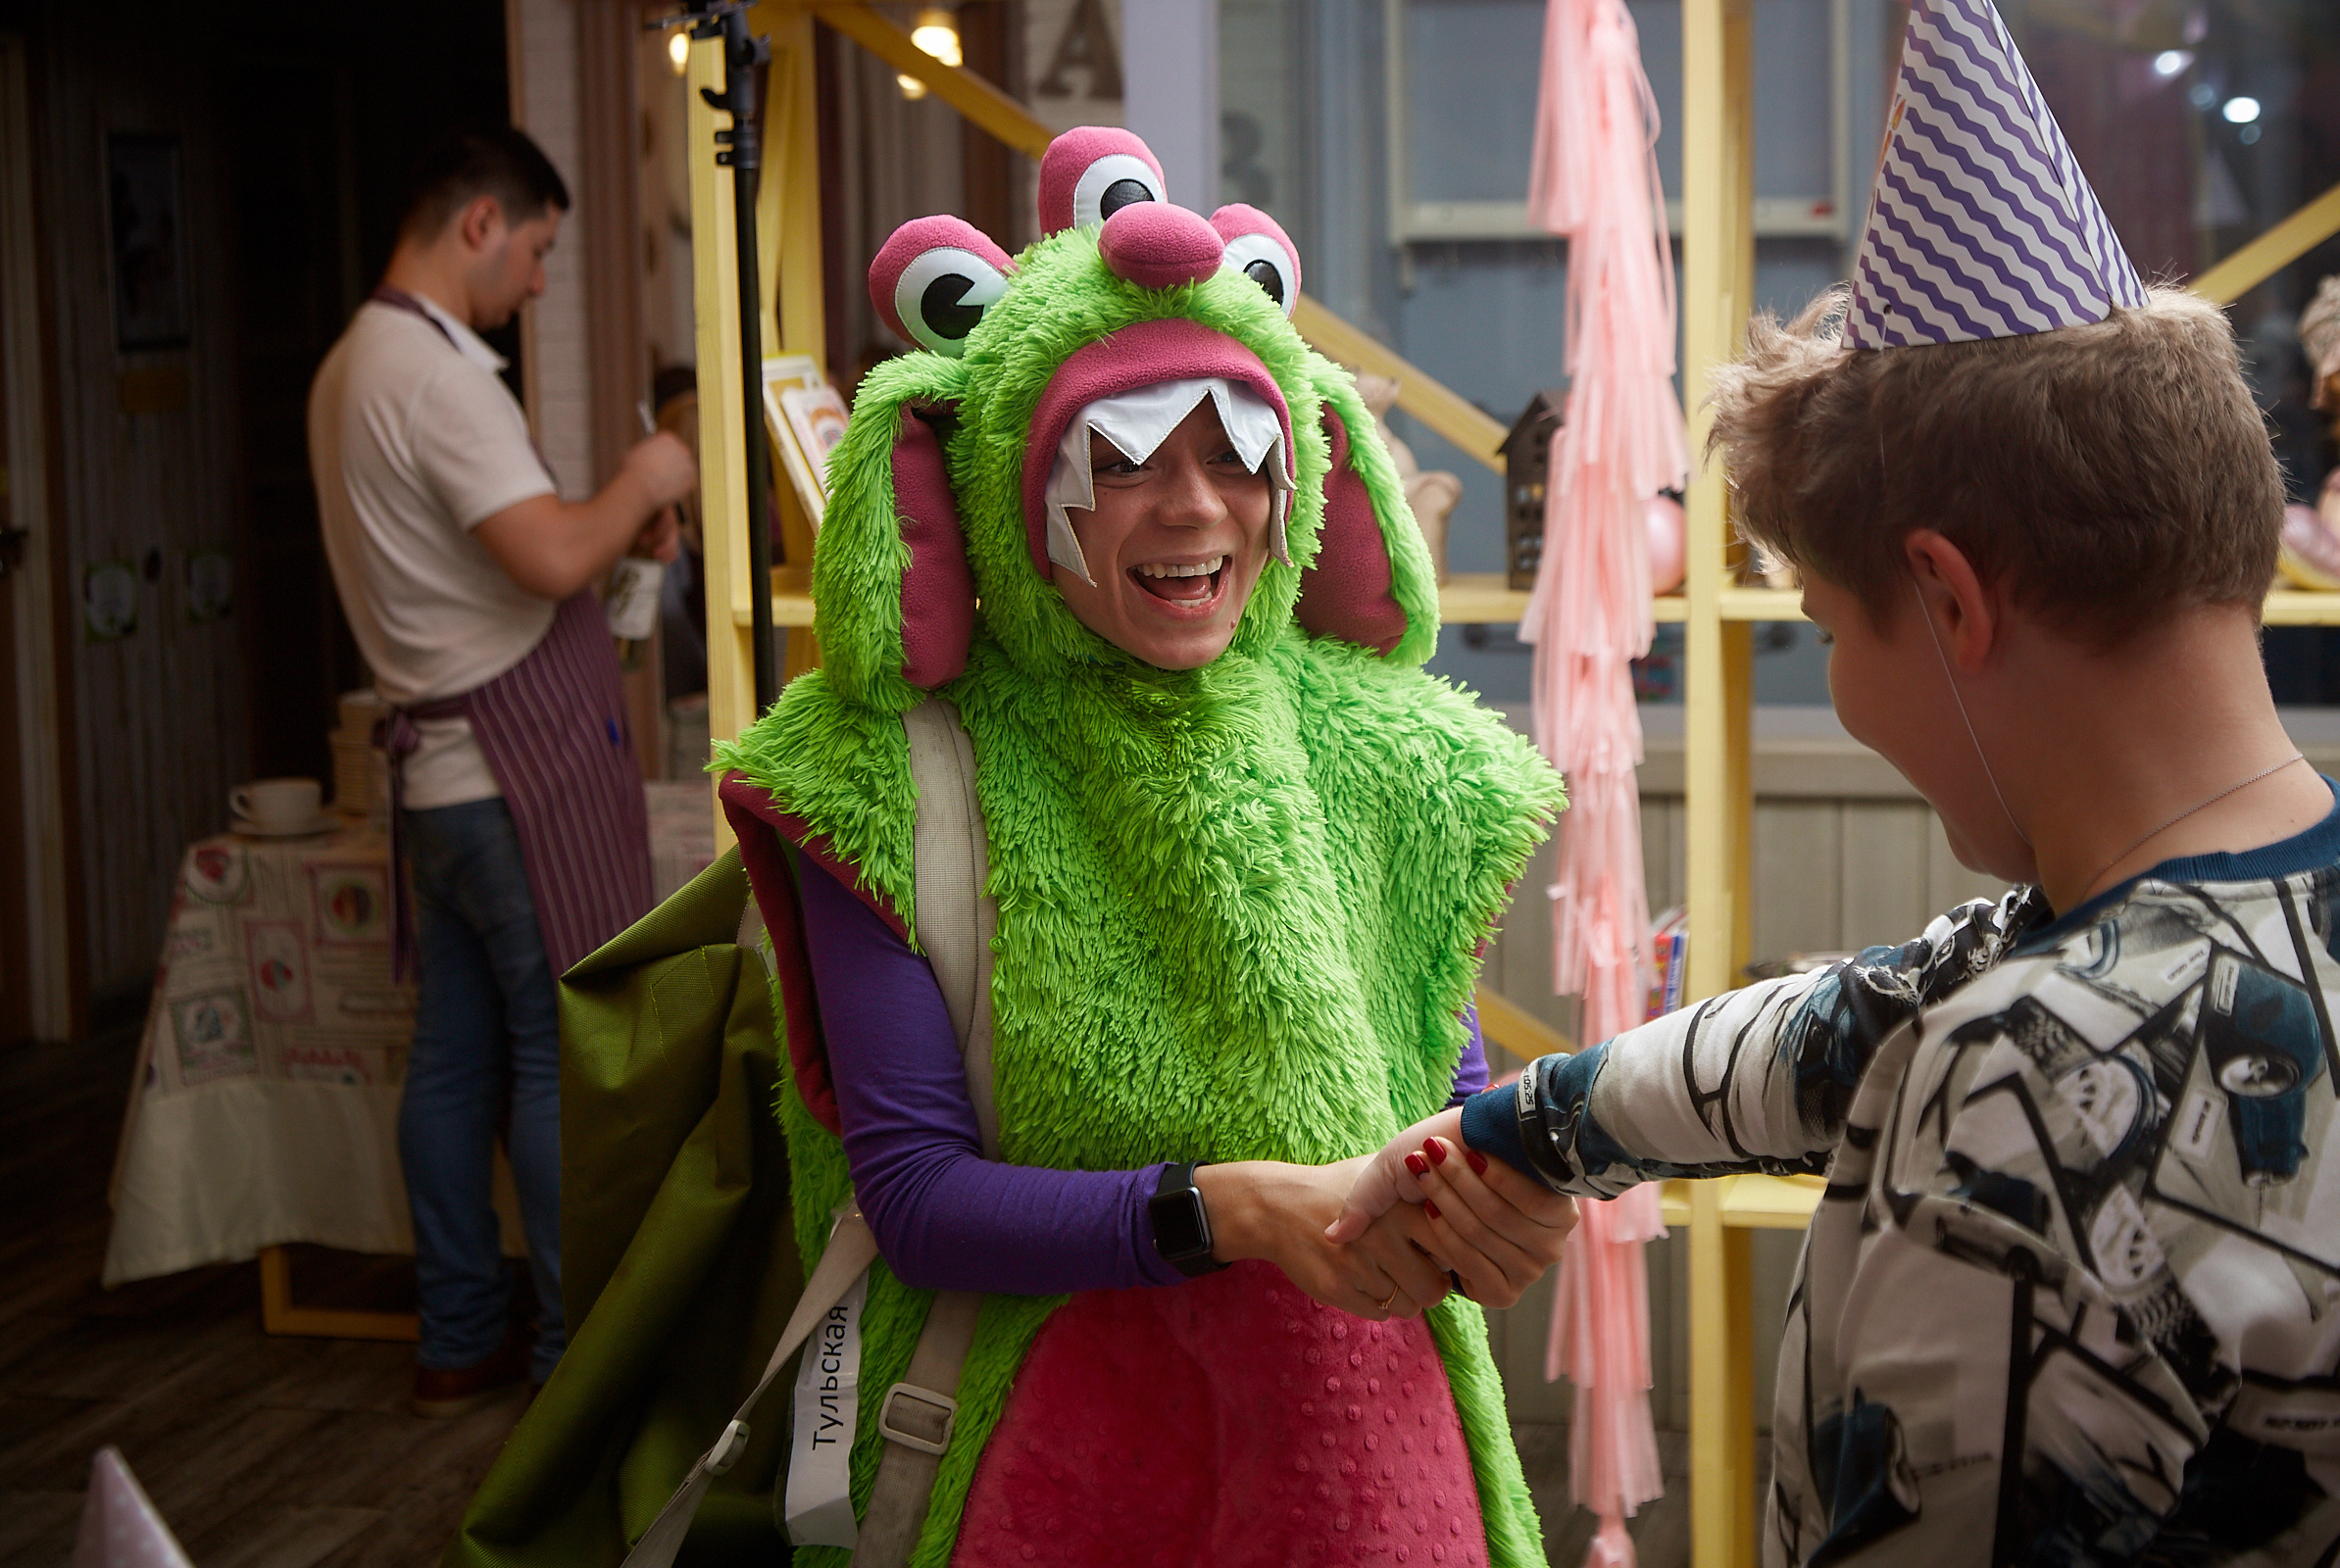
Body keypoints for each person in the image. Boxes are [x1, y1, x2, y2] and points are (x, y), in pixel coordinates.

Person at [1338, 3, 2340, 1561]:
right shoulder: (2174, 933)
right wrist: (1523, 1131)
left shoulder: (2023, 1083)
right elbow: (1845, 1023)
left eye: (1826, 629)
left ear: (1950, 602)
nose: (1848, 689)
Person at [712, 126, 1576, 1565]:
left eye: (1237, 452)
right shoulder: (888, 781)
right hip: (1048, 1468)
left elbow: (1438, 1082)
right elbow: (918, 1203)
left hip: (1371, 1463)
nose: (1194, 508)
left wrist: (1490, 1196)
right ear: (1003, 490)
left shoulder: (1399, 755)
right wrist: (1232, 1212)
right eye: (1121, 459)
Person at [308, 126, 698, 1416]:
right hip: (504, 774)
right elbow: (544, 559)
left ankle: (458, 1333)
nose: (539, 280)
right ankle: (571, 1352)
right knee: (553, 1052)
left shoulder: (346, 368)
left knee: (454, 1058)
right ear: (480, 223)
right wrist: (646, 472)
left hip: (434, 777)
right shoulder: (431, 376)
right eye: (537, 250)